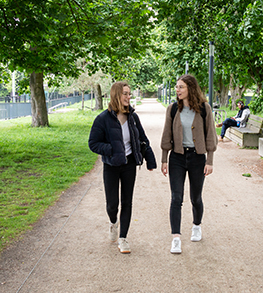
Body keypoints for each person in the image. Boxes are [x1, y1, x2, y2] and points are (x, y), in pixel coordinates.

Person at [88, 81, 157, 254]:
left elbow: (143, 139)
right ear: (116, 95)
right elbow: (93, 143)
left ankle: (123, 238)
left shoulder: (133, 118)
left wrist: (150, 159)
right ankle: (113, 223)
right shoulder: (103, 119)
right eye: (125, 93)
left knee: (127, 201)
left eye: (129, 93)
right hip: (111, 165)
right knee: (113, 204)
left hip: (129, 164)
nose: (129, 96)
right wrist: (111, 150)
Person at [160, 74, 218, 254]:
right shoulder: (172, 109)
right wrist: (164, 158)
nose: (177, 90)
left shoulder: (204, 108)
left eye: (181, 87)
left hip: (197, 158)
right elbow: (166, 135)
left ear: (190, 89)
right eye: (177, 87)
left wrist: (210, 161)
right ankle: (176, 238)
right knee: (176, 198)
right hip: (177, 157)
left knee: (196, 197)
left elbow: (211, 136)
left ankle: (196, 226)